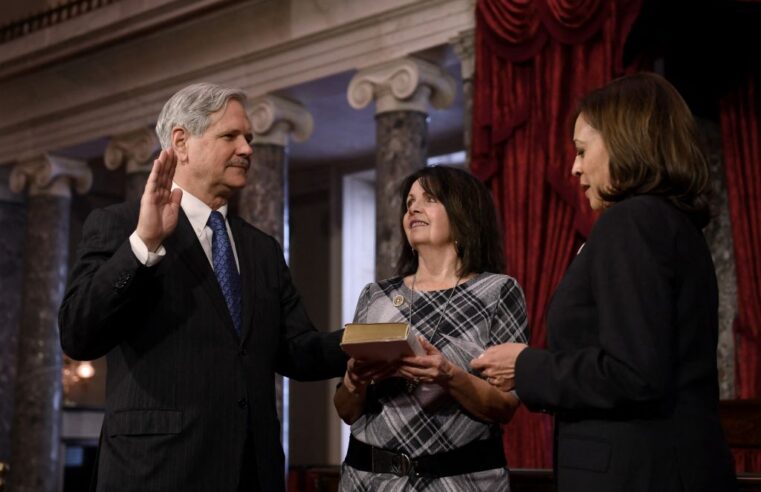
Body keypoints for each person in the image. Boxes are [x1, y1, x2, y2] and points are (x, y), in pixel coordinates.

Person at [59, 83, 346, 491]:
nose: (247, 149)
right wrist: (144, 245)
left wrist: (368, 341)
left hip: (252, 472)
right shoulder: (120, 226)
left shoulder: (261, 249)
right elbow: (78, 334)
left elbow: (297, 350)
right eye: (230, 136)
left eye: (248, 138)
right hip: (157, 472)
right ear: (182, 142)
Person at [471, 72, 737, 491]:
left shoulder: (630, 221)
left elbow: (634, 372)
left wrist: (525, 366)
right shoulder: (669, 222)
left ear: (624, 141)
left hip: (637, 473)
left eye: (581, 150)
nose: (574, 168)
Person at [334, 166, 528, 491]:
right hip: (368, 481)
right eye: (409, 201)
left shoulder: (498, 291)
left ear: (463, 212)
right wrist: (355, 380)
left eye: (429, 198)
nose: (413, 208)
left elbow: (504, 407)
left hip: (461, 481)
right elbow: (346, 411)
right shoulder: (375, 295)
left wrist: (448, 376)